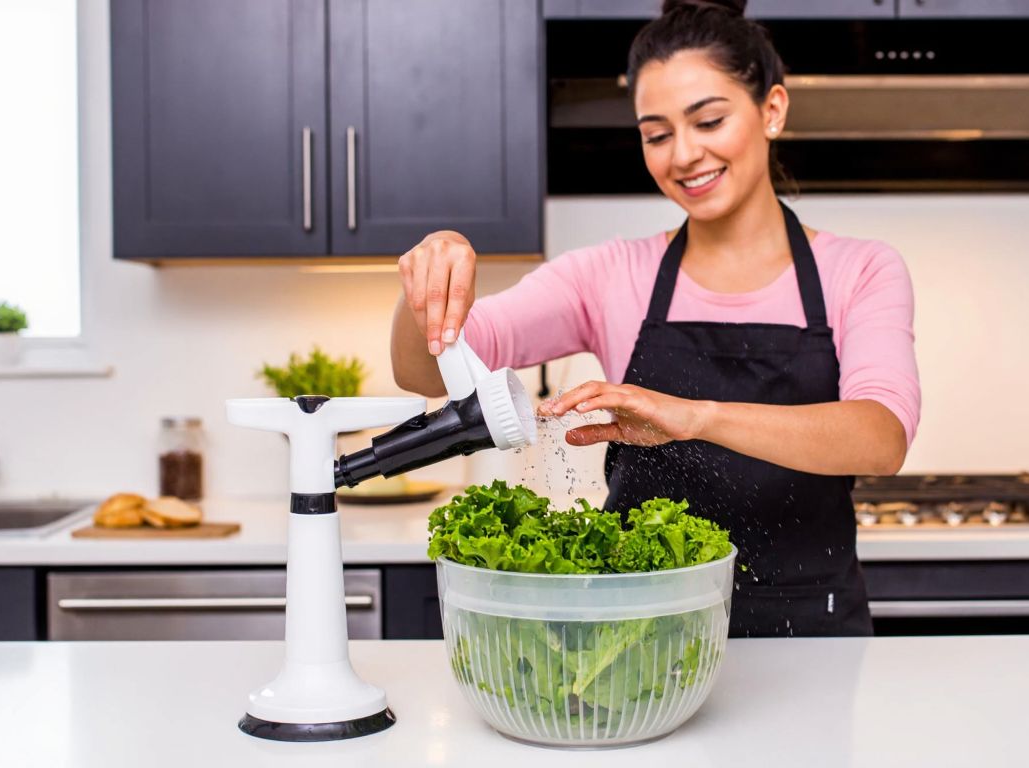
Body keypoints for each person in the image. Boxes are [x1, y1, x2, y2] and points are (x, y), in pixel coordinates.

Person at [390, 0, 919, 637]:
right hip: (643, 639)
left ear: (772, 110)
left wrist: (696, 416)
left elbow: (881, 437)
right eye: (657, 134)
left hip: (811, 635)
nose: (685, 155)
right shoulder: (609, 275)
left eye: (709, 120)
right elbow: (427, 370)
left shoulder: (859, 270)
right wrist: (427, 271)